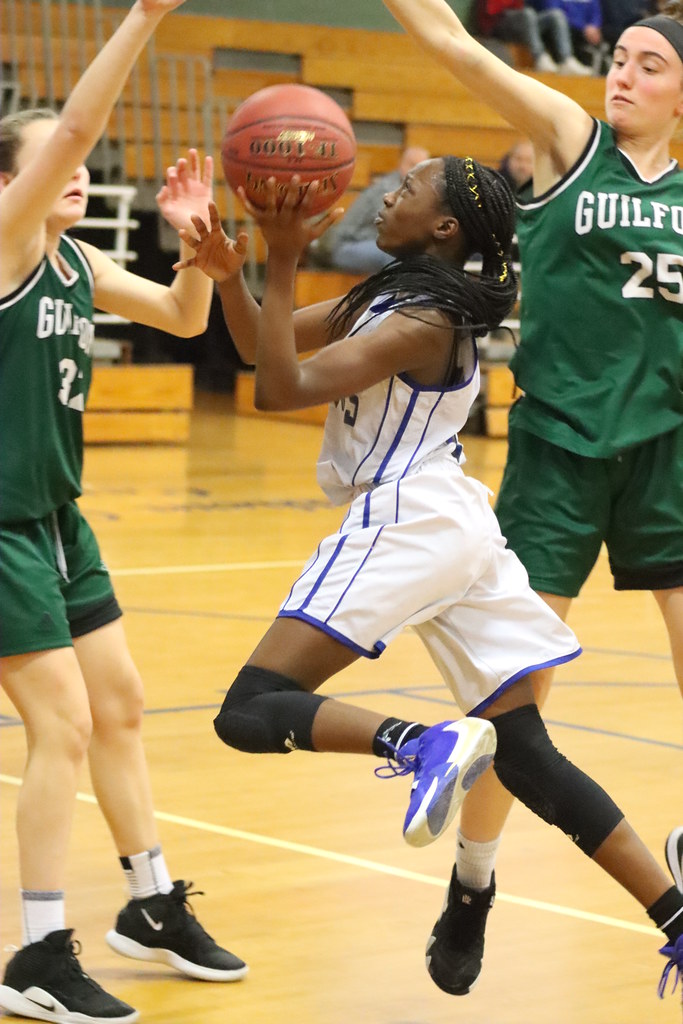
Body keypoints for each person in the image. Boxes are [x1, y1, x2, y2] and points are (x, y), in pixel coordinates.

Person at [175, 149, 683, 1001]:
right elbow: (257, 340)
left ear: (443, 227)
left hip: (406, 516)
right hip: (458, 525)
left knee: (248, 709)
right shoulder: (395, 296)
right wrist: (236, 277)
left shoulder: (422, 320)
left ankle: (418, 744)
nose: (385, 195)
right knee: (524, 751)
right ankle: (675, 914)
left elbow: (277, 390)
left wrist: (287, 247)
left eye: (406, 189)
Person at [381, 0, 683, 999]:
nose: (623, 74)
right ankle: (472, 883)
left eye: (649, 64)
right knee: (514, 699)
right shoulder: (570, 139)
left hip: (667, 456)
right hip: (555, 451)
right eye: (620, 57)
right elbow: (447, 40)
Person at [0, 4, 248, 1023]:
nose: (76, 168)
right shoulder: (10, 248)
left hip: (59, 521)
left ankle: (148, 906)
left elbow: (187, 320)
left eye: (79, 166)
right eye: (49, 158)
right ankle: (34, 951)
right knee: (58, 723)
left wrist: (196, 250)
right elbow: (70, 133)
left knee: (122, 706)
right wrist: (144, 18)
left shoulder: (78, 264)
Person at [313, 145, 429, 274]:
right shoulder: (387, 188)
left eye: (421, 167)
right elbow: (393, 229)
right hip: (345, 246)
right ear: (400, 164)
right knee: (391, 255)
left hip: (371, 244)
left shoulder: (413, 191)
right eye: (411, 164)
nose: (415, 171)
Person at [477, 0, 591, 73]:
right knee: (528, 14)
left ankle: (566, 59)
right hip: (500, 23)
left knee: (556, 15)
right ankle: (539, 57)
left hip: (525, 22)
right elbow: (492, 11)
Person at [529, 0, 607, 71]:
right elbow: (553, 10)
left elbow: (596, 13)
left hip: (589, 31)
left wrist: (594, 26)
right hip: (568, 28)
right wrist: (583, 27)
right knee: (557, 17)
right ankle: (566, 60)